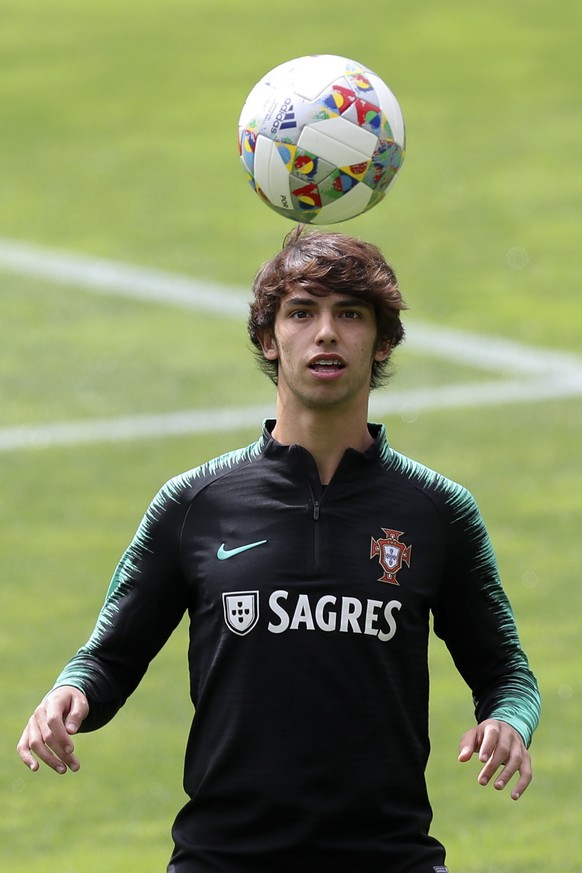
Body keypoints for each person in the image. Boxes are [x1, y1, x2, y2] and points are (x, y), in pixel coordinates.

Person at [18, 226, 541, 873]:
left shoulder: (435, 510)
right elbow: (109, 656)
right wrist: (69, 695)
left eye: (349, 314)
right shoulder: (194, 504)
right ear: (270, 338)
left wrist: (509, 722)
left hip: (387, 858)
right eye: (302, 312)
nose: (326, 333)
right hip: (223, 858)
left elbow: (506, 673)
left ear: (381, 342)